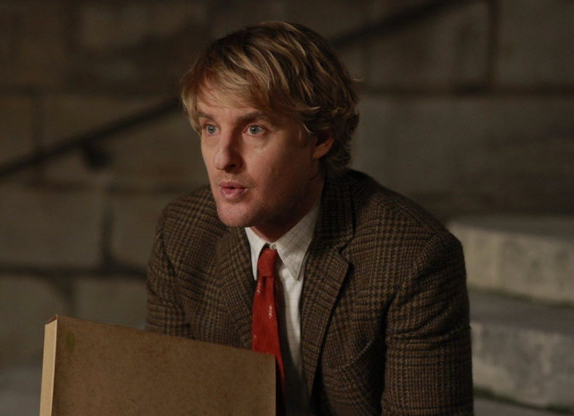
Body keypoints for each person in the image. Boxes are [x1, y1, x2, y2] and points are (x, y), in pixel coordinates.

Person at [146, 21, 473, 415]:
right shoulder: (182, 233)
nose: (222, 158)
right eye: (210, 127)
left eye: (254, 129)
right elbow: (171, 401)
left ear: (319, 138)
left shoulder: (412, 257)